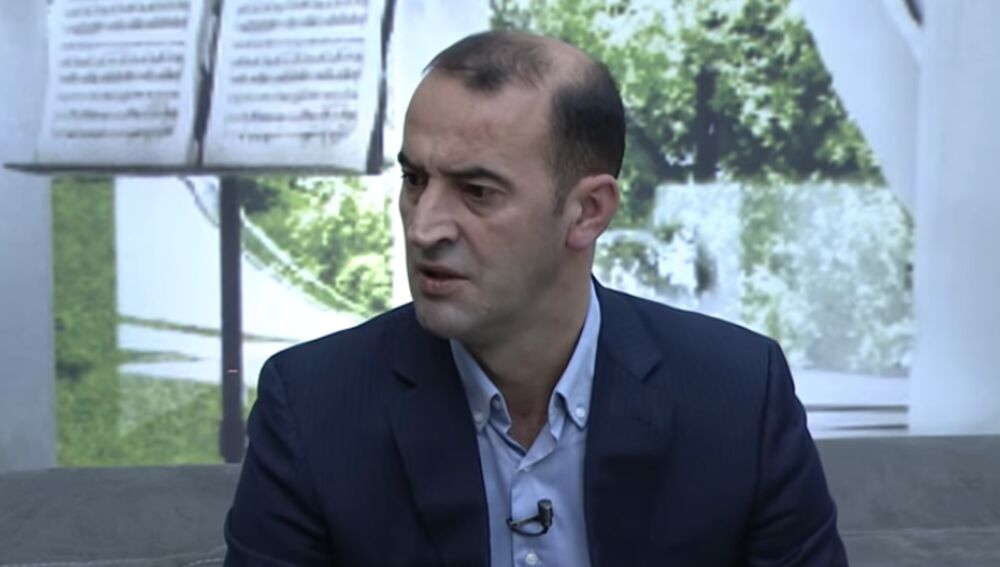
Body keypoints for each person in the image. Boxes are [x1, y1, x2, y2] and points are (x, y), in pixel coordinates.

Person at [224, 30, 847, 566]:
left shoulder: (739, 395)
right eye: (415, 179)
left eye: (477, 191)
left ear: (588, 211)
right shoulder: (311, 406)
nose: (423, 227)